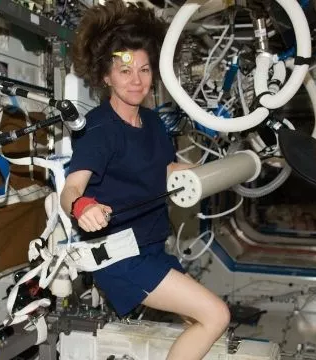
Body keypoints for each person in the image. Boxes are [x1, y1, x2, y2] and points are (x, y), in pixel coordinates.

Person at [59, 1, 230, 358]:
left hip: (152, 247)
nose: (136, 81)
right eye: (125, 71)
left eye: (144, 70)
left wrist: (181, 171)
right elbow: (71, 188)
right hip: (119, 257)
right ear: (105, 77)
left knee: (196, 320)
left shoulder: (152, 122)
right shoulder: (100, 131)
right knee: (216, 315)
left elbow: (157, 169)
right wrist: (81, 205)